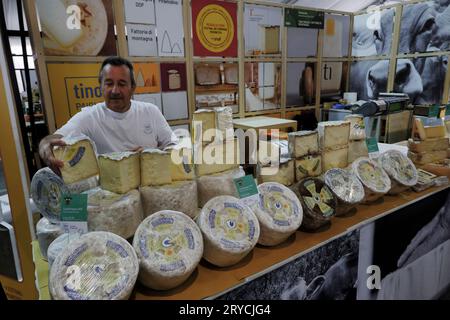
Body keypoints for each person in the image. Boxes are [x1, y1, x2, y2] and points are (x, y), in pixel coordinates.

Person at [39, 56, 177, 175]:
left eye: (122, 84)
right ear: (101, 86)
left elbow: (174, 146)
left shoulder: (150, 111)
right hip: (112, 193)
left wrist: (152, 153)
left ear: (133, 87)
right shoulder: (90, 116)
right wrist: (45, 145)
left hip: (150, 184)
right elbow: (55, 138)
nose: (115, 90)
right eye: (109, 83)